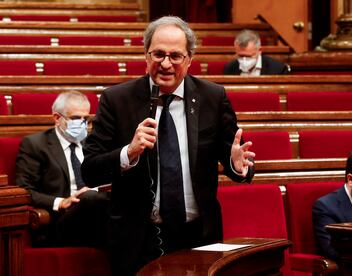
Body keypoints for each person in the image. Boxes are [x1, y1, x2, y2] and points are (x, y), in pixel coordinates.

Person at [81, 16, 255, 275]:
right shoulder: (117, 100)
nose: (165, 64)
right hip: (138, 241)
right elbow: (90, 171)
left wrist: (236, 164)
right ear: (146, 55)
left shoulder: (212, 97)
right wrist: (129, 152)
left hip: (200, 237)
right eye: (158, 54)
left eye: (175, 56)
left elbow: (234, 157)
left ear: (189, 59)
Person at [15, 91, 109, 248]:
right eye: (75, 118)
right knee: (90, 198)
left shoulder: (92, 144)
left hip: (96, 210)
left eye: (85, 118)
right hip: (60, 218)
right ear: (57, 118)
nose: (82, 123)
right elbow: (23, 190)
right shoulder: (36, 145)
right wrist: (60, 202)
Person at [223, 29, 290, 76]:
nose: (244, 60)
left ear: (259, 50)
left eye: (248, 56)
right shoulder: (229, 68)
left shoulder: (278, 69)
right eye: (240, 56)